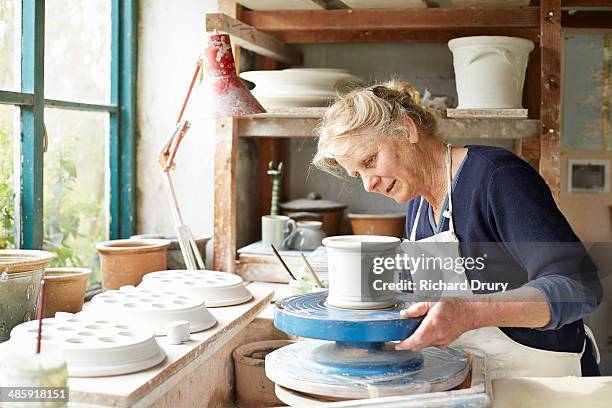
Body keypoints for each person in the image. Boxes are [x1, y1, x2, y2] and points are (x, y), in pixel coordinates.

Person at [312, 80, 602, 378]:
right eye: (357, 173)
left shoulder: (497, 178)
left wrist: (471, 311)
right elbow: (425, 298)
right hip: (475, 377)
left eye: (370, 160)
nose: (368, 184)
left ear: (407, 129)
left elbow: (579, 287)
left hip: (542, 382)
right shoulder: (418, 206)